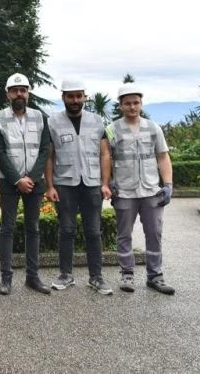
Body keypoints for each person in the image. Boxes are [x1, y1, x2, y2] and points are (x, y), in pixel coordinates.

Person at [45, 79, 113, 295]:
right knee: (66, 230)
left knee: (93, 232)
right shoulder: (53, 122)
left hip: (92, 184)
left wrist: (104, 183)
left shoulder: (97, 121)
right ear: (63, 97)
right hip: (65, 184)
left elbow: (105, 154)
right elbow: (49, 156)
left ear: (84, 97)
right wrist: (49, 186)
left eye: (78, 96)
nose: (75, 100)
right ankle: (66, 275)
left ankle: (97, 277)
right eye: (70, 96)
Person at [106, 83, 175, 295]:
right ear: (120, 105)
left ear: (141, 103)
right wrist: (109, 181)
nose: (132, 107)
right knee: (124, 234)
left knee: (154, 234)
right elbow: (105, 158)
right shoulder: (111, 129)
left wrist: (168, 184)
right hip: (125, 192)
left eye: (136, 102)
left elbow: (163, 157)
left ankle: (155, 276)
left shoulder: (153, 128)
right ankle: (127, 274)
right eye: (128, 103)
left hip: (150, 192)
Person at [0, 72, 52, 295]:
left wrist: (32, 178)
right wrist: (18, 179)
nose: (20, 93)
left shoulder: (40, 117)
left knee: (33, 229)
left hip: (34, 183)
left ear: (28, 93)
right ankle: (6, 279)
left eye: (23, 90)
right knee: (7, 229)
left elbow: (45, 149)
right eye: (15, 90)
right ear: (8, 94)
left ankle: (32, 277)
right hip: (9, 182)